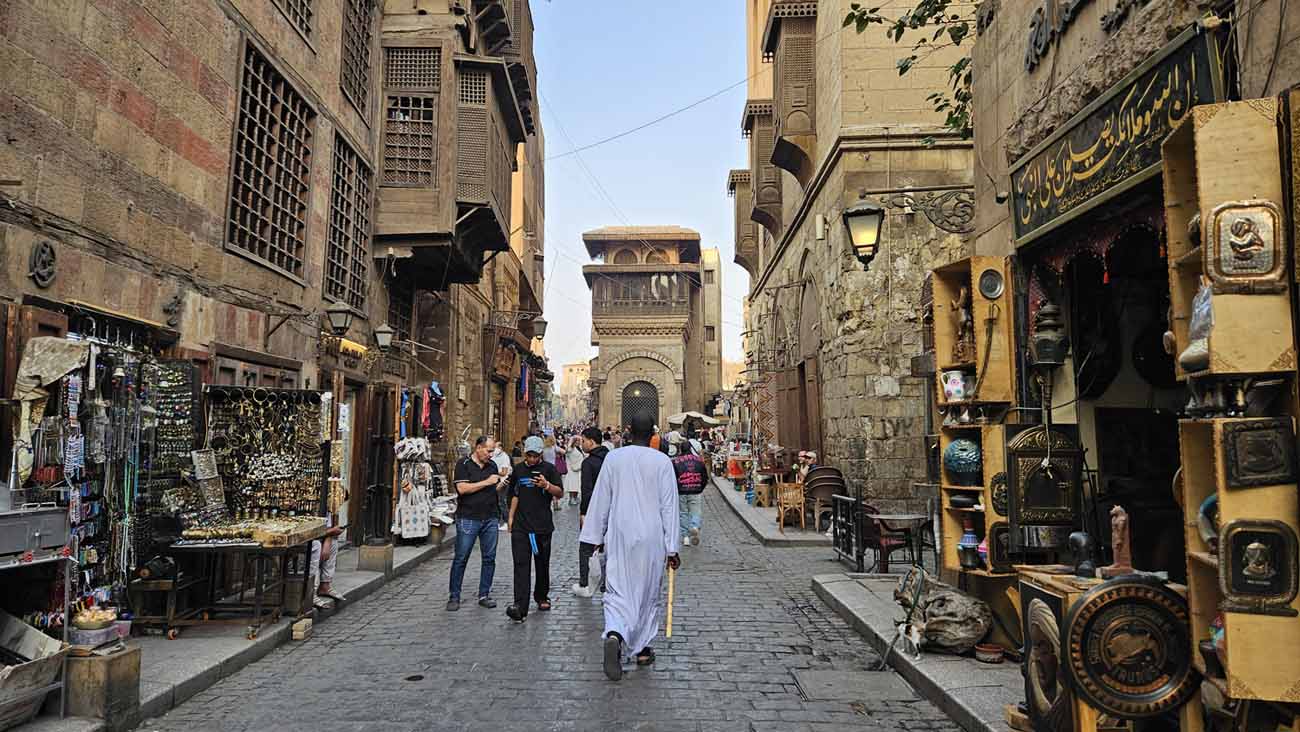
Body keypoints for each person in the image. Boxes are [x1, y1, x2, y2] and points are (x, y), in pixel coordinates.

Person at [579, 411, 680, 681]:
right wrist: (672, 548)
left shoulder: (614, 458)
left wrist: (593, 537)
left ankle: (615, 633)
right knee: (647, 591)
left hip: (620, 532)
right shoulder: (662, 462)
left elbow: (601, 498)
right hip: (652, 535)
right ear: (654, 435)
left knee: (617, 587)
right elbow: (670, 506)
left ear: (627, 432)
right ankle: (643, 649)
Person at [505, 436, 564, 622]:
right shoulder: (519, 470)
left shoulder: (549, 469)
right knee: (521, 565)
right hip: (521, 526)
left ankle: (541, 596)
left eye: (535, 456)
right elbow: (514, 494)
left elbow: (559, 492)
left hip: (542, 526)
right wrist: (511, 517)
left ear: (540, 454)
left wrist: (546, 485)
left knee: (541, 564)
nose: (531, 459)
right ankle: (519, 606)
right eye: (529, 455)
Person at [447, 435, 508, 611]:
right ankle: (454, 596)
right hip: (468, 517)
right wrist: (487, 482)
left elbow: (492, 488)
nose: (491, 454)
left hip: (490, 517)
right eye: (489, 451)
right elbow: (462, 489)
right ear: (478, 448)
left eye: (492, 451)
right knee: (461, 557)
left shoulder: (493, 466)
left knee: (489, 558)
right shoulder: (463, 464)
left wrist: (501, 484)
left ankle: (484, 594)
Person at [573, 426, 609, 598]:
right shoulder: (610, 459)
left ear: (591, 441)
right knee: (608, 547)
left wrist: (583, 513)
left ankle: (585, 583)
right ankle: (607, 584)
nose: (582, 443)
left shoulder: (588, 463)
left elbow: (586, 490)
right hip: (611, 509)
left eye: (584, 440)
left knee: (586, 547)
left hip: (594, 510)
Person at [668, 431, 709, 547]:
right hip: (695, 489)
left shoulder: (675, 462)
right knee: (695, 510)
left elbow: (673, 478)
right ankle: (695, 526)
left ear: (680, 449)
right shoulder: (699, 461)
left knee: (683, 513)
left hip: (681, 490)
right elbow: (705, 477)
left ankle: (685, 537)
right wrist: (701, 487)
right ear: (691, 449)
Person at [489, 438, 513, 530]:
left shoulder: (505, 457)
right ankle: (498, 521)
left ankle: (506, 521)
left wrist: (493, 471)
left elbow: (504, 472)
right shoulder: (494, 456)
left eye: (496, 447)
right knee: (496, 501)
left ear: (501, 448)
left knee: (502, 501)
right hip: (495, 480)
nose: (495, 449)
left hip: (503, 481)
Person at [563, 435, 584, 506]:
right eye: (577, 441)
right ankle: (571, 498)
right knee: (572, 484)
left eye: (579, 441)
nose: (578, 442)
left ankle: (575, 497)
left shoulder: (579, 448)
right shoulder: (570, 449)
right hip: (572, 469)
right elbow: (567, 454)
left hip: (579, 469)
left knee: (577, 485)